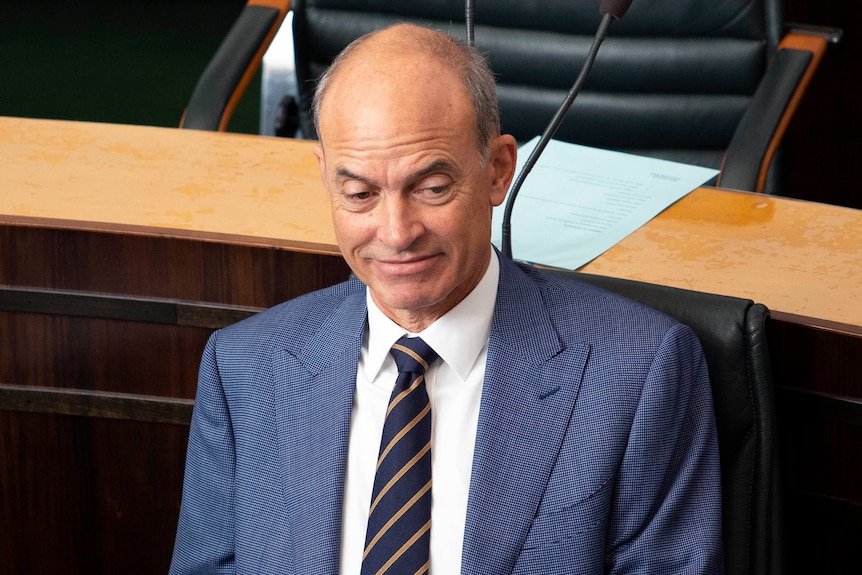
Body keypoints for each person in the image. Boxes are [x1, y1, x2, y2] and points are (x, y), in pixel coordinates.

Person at [170, 23, 723, 575]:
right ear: (326, 180)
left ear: (498, 171)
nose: (395, 232)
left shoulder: (640, 369)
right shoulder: (243, 366)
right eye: (360, 193)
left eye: (431, 189)